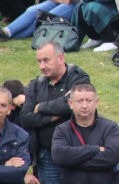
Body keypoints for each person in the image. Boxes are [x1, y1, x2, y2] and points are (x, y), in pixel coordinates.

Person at [20, 41, 90, 184]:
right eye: (39, 61)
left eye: (46, 60)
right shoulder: (36, 84)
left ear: (61, 58)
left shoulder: (79, 78)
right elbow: (26, 119)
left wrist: (40, 107)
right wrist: (54, 115)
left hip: (77, 153)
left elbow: (76, 104)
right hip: (47, 158)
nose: (42, 66)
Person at [52, 83, 119, 184]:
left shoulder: (110, 127)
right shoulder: (62, 130)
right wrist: (95, 149)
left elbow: (113, 157)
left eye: (88, 101)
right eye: (79, 101)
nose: (84, 106)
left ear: (96, 102)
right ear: (71, 103)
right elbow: (59, 156)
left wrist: (73, 161)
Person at [0, 87, 31, 183]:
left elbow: (19, 173)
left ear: (9, 109)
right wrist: (4, 166)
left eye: (3, 105)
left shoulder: (21, 136)